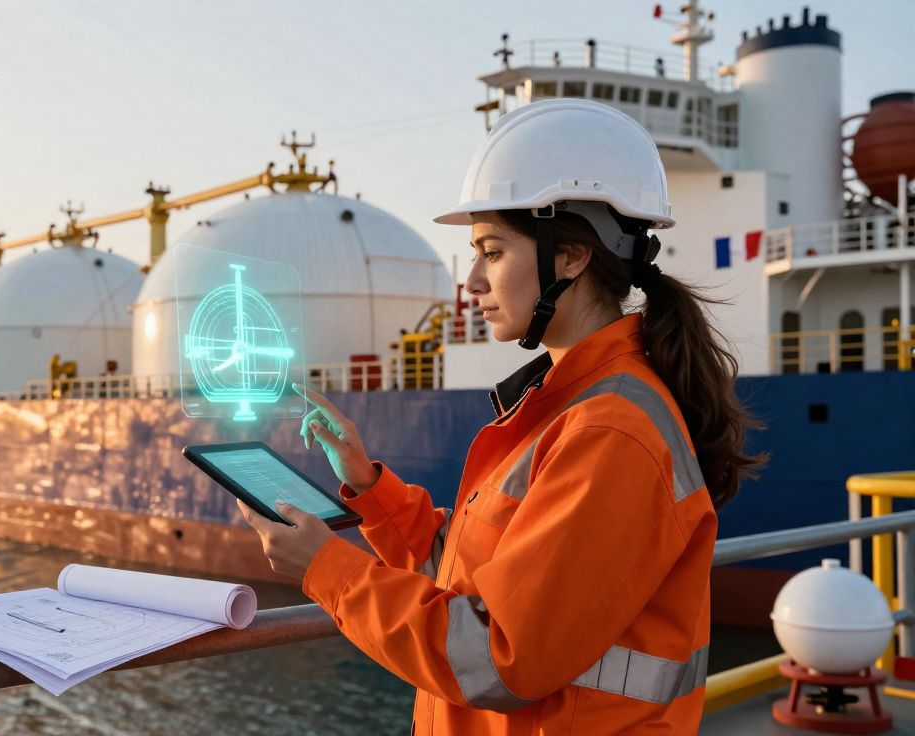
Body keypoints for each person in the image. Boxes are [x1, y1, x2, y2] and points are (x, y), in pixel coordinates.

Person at [237, 99, 763, 734]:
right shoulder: (570, 404)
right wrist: (371, 490)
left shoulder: (608, 432)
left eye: (491, 250)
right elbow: (469, 582)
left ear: (570, 257)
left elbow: (495, 656)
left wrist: (325, 569)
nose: (473, 283)